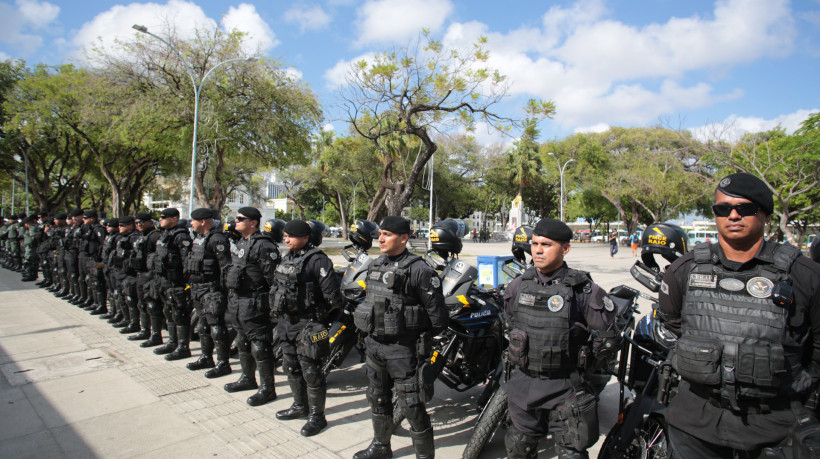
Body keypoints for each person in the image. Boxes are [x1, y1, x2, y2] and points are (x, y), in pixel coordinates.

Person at [659, 172, 820, 457]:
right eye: (723, 209)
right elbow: (674, 322)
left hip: (776, 428)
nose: (733, 216)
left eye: (744, 208)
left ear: (765, 215)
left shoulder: (805, 276)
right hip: (695, 423)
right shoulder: (684, 270)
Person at [502, 218, 616, 459]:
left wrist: (583, 366)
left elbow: (606, 340)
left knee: (571, 453)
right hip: (524, 385)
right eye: (534, 244)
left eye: (546, 244)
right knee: (518, 450)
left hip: (565, 388)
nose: (538, 250)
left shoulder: (583, 290)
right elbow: (510, 323)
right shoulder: (517, 286)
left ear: (565, 249)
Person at [353, 216, 447, 459]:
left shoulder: (420, 270)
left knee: (412, 406)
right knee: (377, 398)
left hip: (404, 350)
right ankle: (380, 447)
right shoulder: (375, 265)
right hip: (374, 346)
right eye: (380, 233)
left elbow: (438, 318)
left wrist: (417, 339)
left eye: (387, 234)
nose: (380, 239)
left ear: (404, 238)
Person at [272, 220, 345, 436]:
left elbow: (333, 297)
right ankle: (299, 406)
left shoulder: (318, 260)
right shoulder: (288, 258)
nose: (286, 240)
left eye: (290, 236)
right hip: (287, 323)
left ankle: (317, 417)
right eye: (285, 236)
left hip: (310, 325)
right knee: (290, 367)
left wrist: (320, 319)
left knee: (312, 371)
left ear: (305, 237)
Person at [222, 207, 281, 406]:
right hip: (238, 302)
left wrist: (271, 305)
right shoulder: (241, 242)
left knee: (260, 347)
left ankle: (267, 389)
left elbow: (273, 280)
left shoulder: (264, 245)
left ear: (253, 222)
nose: (235, 221)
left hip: (254, 303)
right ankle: (248, 379)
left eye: (240, 219)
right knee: (241, 342)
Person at [185, 208, 233, 378]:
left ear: (203, 221)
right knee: (202, 326)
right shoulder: (199, 238)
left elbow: (225, 268)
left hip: (211, 290)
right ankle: (206, 357)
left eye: (193, 220)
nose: (191, 223)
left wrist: (223, 291)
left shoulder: (217, 239)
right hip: (197, 288)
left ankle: (223, 363)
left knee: (217, 328)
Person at [151, 208, 193, 360]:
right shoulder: (165, 234)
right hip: (164, 280)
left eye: (164, 217)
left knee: (179, 313)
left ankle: (183, 347)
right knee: (168, 312)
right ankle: (172, 342)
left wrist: (184, 281)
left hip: (176, 281)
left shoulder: (180, 235)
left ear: (174, 218)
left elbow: (186, 261)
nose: (160, 219)